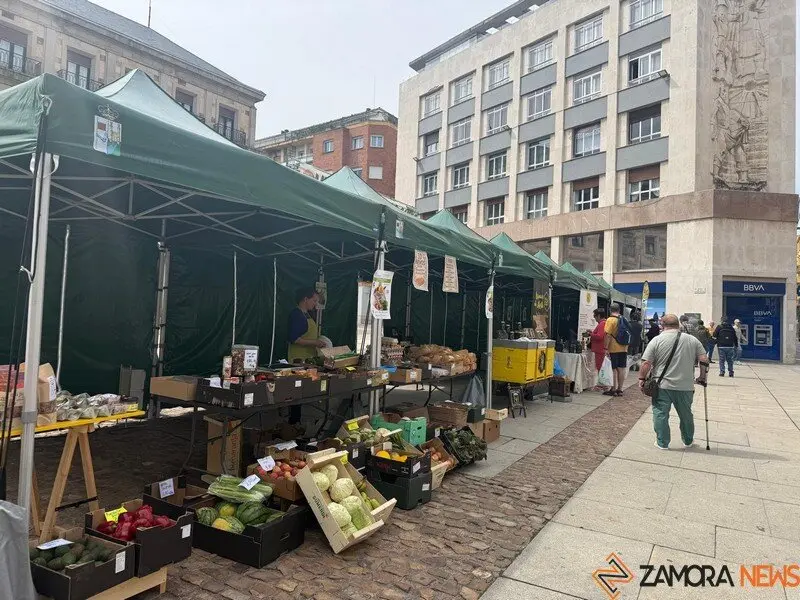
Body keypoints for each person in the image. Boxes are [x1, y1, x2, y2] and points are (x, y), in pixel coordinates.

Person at [638, 314, 709, 449]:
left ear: (662, 324)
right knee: (686, 414)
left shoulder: (656, 340)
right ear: (678, 324)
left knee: (660, 414)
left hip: (662, 385)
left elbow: (646, 362)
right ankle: (688, 441)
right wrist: (702, 377)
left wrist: (641, 378)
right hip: (686, 386)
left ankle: (662, 442)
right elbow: (704, 359)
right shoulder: (692, 340)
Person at [287, 287, 326, 362]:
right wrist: (315, 342)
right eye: (314, 301)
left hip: (309, 359)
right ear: (305, 299)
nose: (315, 304)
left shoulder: (307, 314)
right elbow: (294, 339)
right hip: (298, 360)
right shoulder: (296, 315)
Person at [604, 303, 630, 397]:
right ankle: (620, 389)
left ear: (610, 309)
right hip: (624, 347)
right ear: (619, 310)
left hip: (613, 348)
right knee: (621, 368)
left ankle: (613, 389)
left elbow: (608, 335)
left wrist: (606, 347)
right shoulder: (624, 319)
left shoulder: (610, 320)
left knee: (614, 368)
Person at [589, 308, 608, 388]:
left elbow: (600, 336)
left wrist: (591, 334)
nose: (594, 318)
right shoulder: (605, 323)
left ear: (599, 316)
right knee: (601, 367)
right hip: (601, 349)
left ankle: (603, 385)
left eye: (595, 316)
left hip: (599, 349)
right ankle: (602, 384)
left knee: (600, 367)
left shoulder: (602, 324)